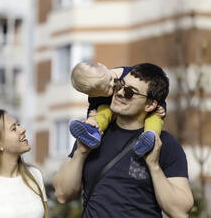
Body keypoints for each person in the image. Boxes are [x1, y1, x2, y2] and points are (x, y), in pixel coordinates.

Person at [52, 63, 194, 217]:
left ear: (150, 104)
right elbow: (62, 194)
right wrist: (80, 153)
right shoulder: (93, 134)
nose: (119, 92)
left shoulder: (165, 144)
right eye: (120, 85)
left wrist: (154, 166)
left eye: (129, 92)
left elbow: (180, 211)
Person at [69, 62, 166, 157]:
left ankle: (149, 139)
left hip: (146, 111)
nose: (113, 85)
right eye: (107, 90)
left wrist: (162, 107)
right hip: (114, 112)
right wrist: (91, 117)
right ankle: (92, 131)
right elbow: (93, 107)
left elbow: (155, 91)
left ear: (103, 65)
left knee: (156, 117)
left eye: (111, 79)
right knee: (103, 110)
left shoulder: (129, 74)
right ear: (94, 95)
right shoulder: (95, 93)